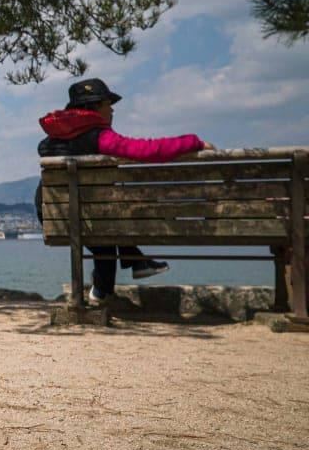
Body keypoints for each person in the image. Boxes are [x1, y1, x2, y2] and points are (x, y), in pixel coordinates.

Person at [34, 78, 214, 305]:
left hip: (52, 214)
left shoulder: (51, 141)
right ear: (94, 107)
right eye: (108, 104)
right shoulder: (99, 136)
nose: (112, 110)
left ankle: (114, 283)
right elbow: (147, 150)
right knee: (106, 230)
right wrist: (194, 142)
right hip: (89, 217)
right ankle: (122, 273)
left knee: (104, 235)